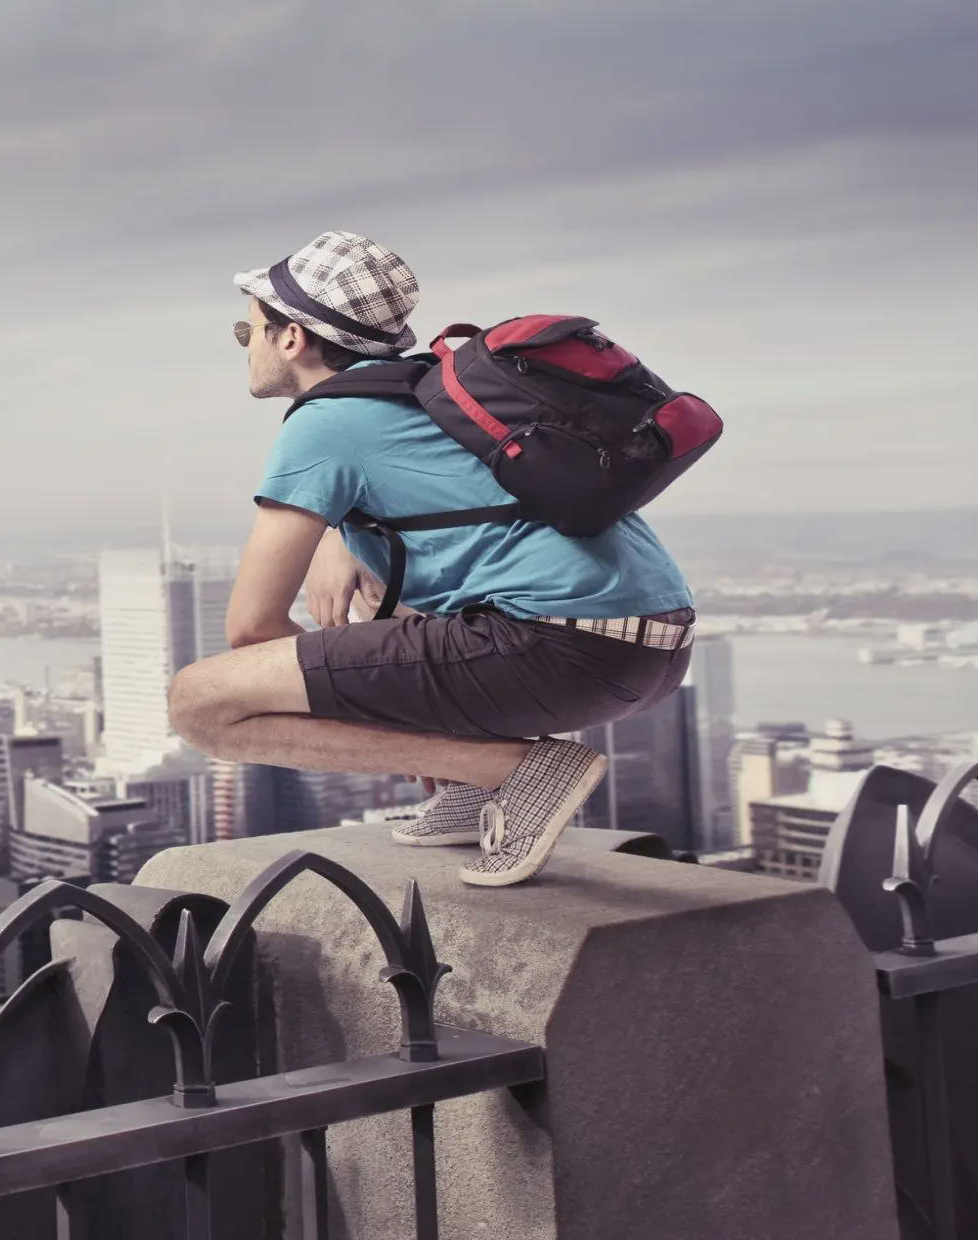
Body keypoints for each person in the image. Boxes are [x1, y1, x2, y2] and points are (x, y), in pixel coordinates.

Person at [162, 231, 696, 886]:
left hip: (561, 650)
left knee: (199, 704)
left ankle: (506, 770)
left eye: (247, 332)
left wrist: (400, 731)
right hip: (652, 650)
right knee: (378, 600)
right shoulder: (433, 395)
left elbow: (250, 627)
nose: (245, 346)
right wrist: (340, 544)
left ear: (292, 338)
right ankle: (477, 780)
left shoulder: (325, 423)